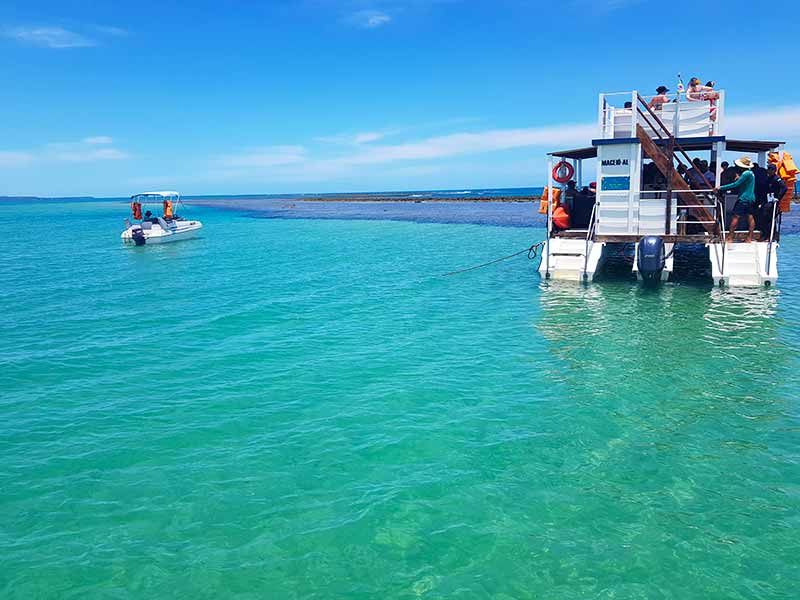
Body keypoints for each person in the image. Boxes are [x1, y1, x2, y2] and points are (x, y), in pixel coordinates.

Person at [715, 156, 757, 243]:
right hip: (751, 198)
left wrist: (720, 188)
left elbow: (735, 184)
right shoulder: (751, 173)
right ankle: (749, 237)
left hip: (743, 199)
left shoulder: (745, 174)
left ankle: (730, 238)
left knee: (735, 217)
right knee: (750, 217)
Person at [758, 164, 788, 239]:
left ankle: (771, 235)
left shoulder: (777, 179)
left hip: (773, 202)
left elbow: (784, 188)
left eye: (771, 169)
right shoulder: (768, 179)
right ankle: (765, 234)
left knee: (770, 218)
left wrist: (778, 198)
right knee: (764, 217)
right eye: (769, 169)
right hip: (767, 201)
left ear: (774, 171)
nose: (770, 171)